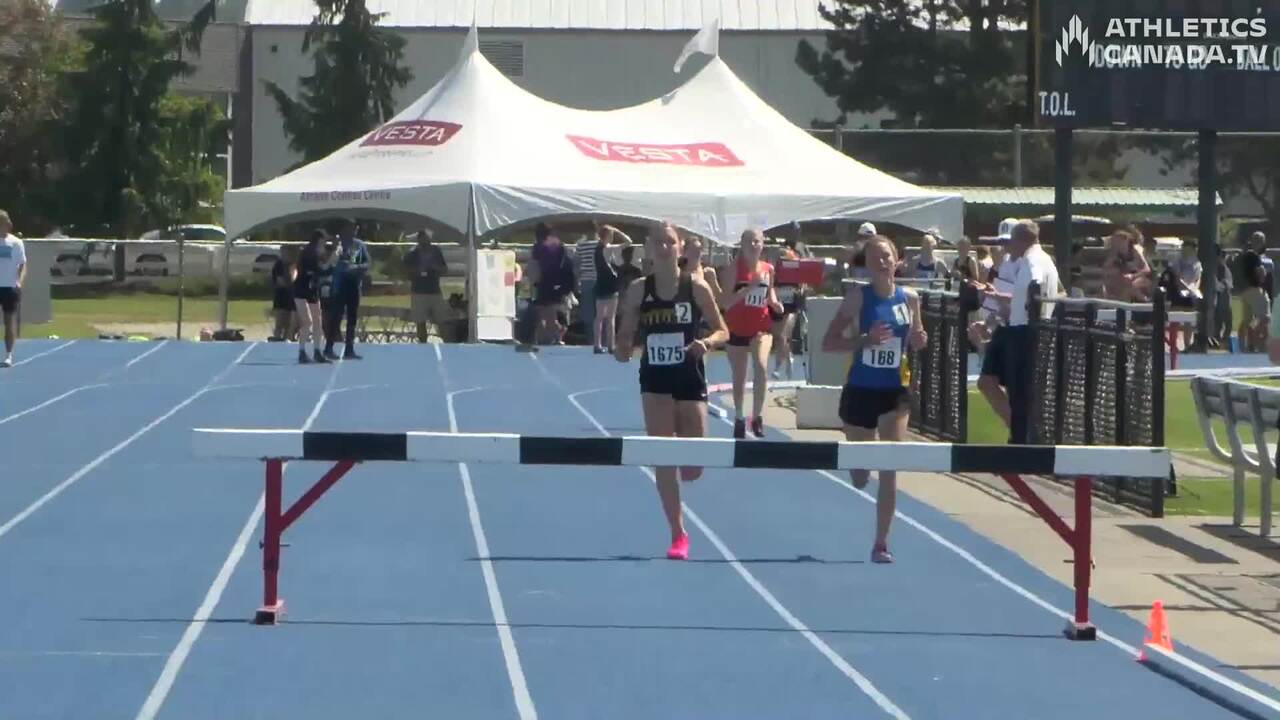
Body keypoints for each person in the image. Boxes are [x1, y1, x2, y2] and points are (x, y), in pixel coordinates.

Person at [614, 222, 729, 560]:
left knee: (693, 466)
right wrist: (623, 346)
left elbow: (723, 330)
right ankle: (678, 533)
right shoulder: (639, 290)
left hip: (689, 376)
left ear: (680, 248)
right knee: (664, 458)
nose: (665, 248)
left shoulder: (696, 287)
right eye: (659, 243)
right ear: (649, 248)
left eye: (670, 242)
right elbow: (625, 336)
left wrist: (706, 342)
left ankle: (686, 469)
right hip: (655, 380)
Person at [820, 235, 927, 563]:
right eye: (875, 257)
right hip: (861, 391)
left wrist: (919, 339)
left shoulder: (910, 299)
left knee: (890, 465)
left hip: (894, 392)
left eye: (886, 256)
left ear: (897, 261)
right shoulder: (857, 298)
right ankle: (859, 469)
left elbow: (916, 338)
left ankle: (881, 543)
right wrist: (865, 340)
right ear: (866, 265)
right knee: (860, 476)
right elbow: (829, 342)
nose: (882, 261)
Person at [720, 228, 784, 438]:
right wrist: (749, 287)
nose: (753, 245)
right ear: (742, 244)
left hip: (761, 327)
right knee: (739, 375)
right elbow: (726, 303)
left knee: (761, 367)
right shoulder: (732, 270)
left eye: (757, 241)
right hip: (736, 327)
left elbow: (769, 293)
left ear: (762, 244)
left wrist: (775, 304)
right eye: (749, 241)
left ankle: (756, 417)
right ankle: (739, 416)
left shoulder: (768, 269)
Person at [325, 219, 370, 360]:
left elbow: (367, 263)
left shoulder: (359, 245)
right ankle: (328, 347)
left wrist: (356, 267)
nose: (353, 230)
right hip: (338, 286)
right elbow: (327, 264)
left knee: (352, 318)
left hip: (353, 285)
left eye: (355, 228)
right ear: (343, 229)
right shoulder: (335, 245)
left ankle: (349, 349)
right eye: (350, 228)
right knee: (335, 317)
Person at [405, 230, 451, 342]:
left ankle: (447, 343)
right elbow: (405, 272)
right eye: (421, 237)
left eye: (426, 237)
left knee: (442, 320)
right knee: (420, 322)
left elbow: (445, 269)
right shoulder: (412, 253)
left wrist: (435, 268)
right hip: (418, 292)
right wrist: (417, 271)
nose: (424, 240)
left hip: (434, 291)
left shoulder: (436, 251)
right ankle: (422, 344)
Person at [294, 230, 329, 364]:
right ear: (318, 240)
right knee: (307, 322)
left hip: (312, 290)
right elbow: (318, 270)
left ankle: (317, 351)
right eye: (323, 240)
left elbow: (323, 270)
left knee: (317, 321)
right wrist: (329, 262)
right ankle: (302, 351)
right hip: (301, 289)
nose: (325, 243)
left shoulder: (317, 253)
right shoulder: (309, 253)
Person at [0, 210, 25, 368]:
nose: (9, 224)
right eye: (5, 221)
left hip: (9, 287)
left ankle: (8, 355)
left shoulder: (16, 242)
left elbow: (22, 264)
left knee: (9, 321)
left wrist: (19, 281)